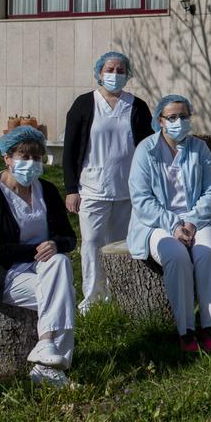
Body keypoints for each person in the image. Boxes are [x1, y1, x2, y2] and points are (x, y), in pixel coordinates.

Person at [0, 126, 77, 387]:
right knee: (64, 293)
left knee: (60, 261)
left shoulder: (47, 191)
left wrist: (53, 244)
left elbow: (69, 238)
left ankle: (46, 349)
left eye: (37, 158)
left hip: (42, 269)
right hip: (3, 275)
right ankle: (49, 365)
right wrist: (38, 248)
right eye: (24, 157)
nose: (31, 163)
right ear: (7, 158)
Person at [127, 95, 211, 353]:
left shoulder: (199, 148)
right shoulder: (145, 150)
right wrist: (173, 225)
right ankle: (186, 330)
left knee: (207, 254)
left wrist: (192, 221)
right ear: (160, 121)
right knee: (177, 257)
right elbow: (141, 199)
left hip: (198, 218)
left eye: (183, 116)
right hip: (156, 222)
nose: (178, 122)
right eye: (172, 117)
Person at [62, 50, 153, 313]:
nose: (115, 75)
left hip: (127, 191)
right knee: (91, 243)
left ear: (128, 75)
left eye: (120, 70)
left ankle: (119, 294)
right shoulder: (83, 104)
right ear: (99, 73)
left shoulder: (137, 106)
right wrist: (71, 189)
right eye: (109, 70)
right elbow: (69, 151)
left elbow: (147, 148)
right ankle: (92, 297)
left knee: (120, 245)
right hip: (92, 189)